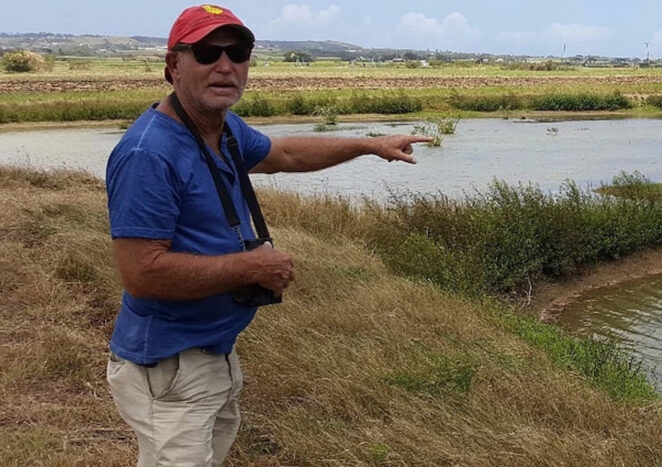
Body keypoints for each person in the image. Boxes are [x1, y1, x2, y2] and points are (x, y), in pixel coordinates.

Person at [104, 4, 430, 465]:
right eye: (206, 52)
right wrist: (252, 266)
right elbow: (142, 273)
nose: (225, 65)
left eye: (238, 52)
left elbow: (284, 154)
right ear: (172, 66)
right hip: (170, 367)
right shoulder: (148, 153)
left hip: (209, 354)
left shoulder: (221, 130)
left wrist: (368, 145)